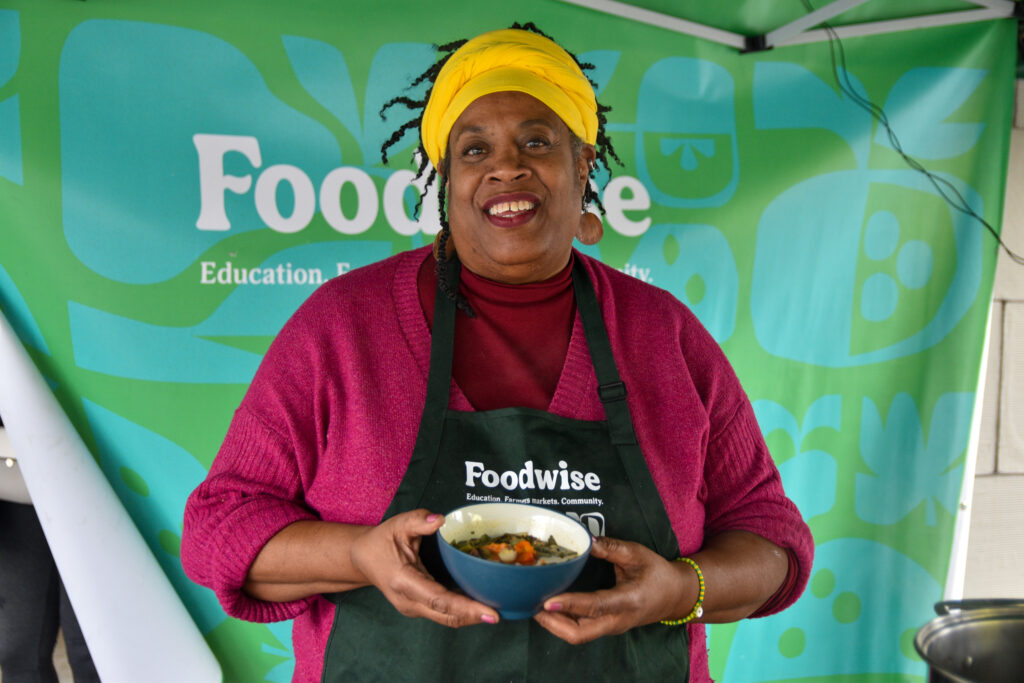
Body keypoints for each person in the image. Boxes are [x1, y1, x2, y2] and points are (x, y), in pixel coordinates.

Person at [182, 24, 813, 682]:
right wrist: (358, 554)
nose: (505, 166)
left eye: (535, 141)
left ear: (583, 165)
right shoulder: (342, 328)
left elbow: (771, 540)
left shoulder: (667, 337)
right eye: (474, 148)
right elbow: (216, 529)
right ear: (447, 181)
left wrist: (684, 589)